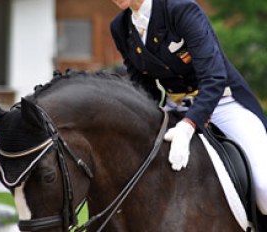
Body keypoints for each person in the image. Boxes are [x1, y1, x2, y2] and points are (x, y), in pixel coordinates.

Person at [110, 0, 267, 220]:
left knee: (264, 188)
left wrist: (189, 124)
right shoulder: (120, 26)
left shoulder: (180, 9)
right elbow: (142, 86)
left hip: (222, 102)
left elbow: (214, 77)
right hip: (174, 107)